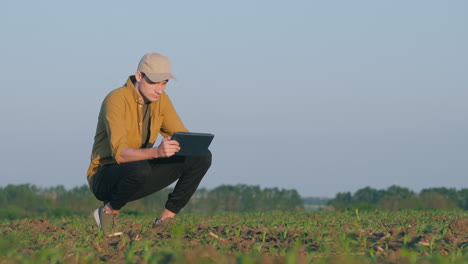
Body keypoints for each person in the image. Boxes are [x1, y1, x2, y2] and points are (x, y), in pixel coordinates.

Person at [86, 52, 212, 233]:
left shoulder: (161, 100)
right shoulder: (116, 99)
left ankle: (164, 222)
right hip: (105, 176)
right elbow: (120, 154)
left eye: (164, 83)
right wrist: (158, 152)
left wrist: (186, 144)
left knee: (201, 156)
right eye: (153, 82)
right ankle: (108, 211)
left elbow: (183, 137)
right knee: (140, 168)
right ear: (139, 76)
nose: (159, 89)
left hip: (139, 172)